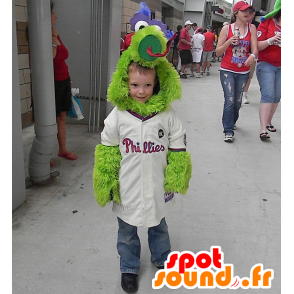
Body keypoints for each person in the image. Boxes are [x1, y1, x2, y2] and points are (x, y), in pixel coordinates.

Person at [93, 26, 192, 293]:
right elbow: (107, 149)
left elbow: (178, 146)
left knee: (158, 225)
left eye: (147, 85)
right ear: (125, 83)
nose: (141, 91)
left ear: (157, 83)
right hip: (127, 186)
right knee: (127, 232)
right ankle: (129, 267)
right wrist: (107, 179)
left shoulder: (167, 115)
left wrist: (176, 175)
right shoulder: (118, 115)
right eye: (135, 85)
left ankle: (162, 259)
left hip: (157, 183)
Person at [216, 0, 258, 142]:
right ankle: (228, 130)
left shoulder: (251, 28)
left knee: (238, 101)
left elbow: (255, 48)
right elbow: (217, 52)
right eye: (244, 11)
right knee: (230, 99)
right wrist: (228, 42)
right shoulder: (226, 29)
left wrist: (252, 56)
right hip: (227, 70)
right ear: (236, 12)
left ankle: (232, 121)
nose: (248, 13)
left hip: (243, 71)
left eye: (249, 11)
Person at [51, 1, 77, 160]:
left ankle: (63, 149)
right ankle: (44, 156)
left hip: (63, 79)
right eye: (53, 13)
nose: (56, 16)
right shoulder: (42, 34)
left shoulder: (55, 32)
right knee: (48, 119)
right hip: (51, 83)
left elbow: (62, 57)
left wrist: (69, 80)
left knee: (61, 116)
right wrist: (53, 35)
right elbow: (51, 56)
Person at [256, 0, 281, 141]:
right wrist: (271, 40)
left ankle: (268, 121)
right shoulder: (267, 22)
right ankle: (263, 128)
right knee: (268, 95)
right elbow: (258, 45)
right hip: (266, 64)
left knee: (277, 96)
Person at [241, 8, 261, 104]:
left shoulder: (257, 25)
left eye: (250, 13)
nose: (247, 15)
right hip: (239, 53)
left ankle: (244, 93)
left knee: (248, 75)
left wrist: (254, 54)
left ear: (253, 14)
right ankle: (238, 92)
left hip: (251, 53)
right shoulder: (238, 24)